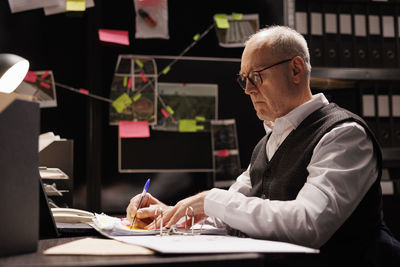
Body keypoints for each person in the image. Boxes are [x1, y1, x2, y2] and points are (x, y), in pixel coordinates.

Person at [126, 26, 400, 266]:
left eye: (256, 76)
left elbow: (308, 224)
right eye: (243, 79)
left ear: (295, 69)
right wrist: (171, 214)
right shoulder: (267, 143)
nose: (248, 90)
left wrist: (209, 199)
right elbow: (228, 217)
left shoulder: (344, 135)